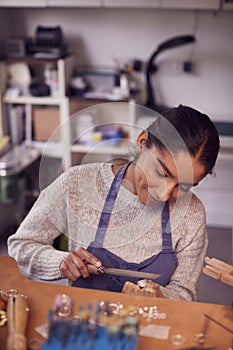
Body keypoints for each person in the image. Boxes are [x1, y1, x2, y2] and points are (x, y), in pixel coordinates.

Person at [7, 104, 220, 301]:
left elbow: (184, 292)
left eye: (184, 186)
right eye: (161, 173)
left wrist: (161, 296)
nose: (165, 194)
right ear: (142, 142)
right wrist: (60, 262)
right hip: (81, 325)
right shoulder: (77, 183)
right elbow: (21, 246)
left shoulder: (192, 214)